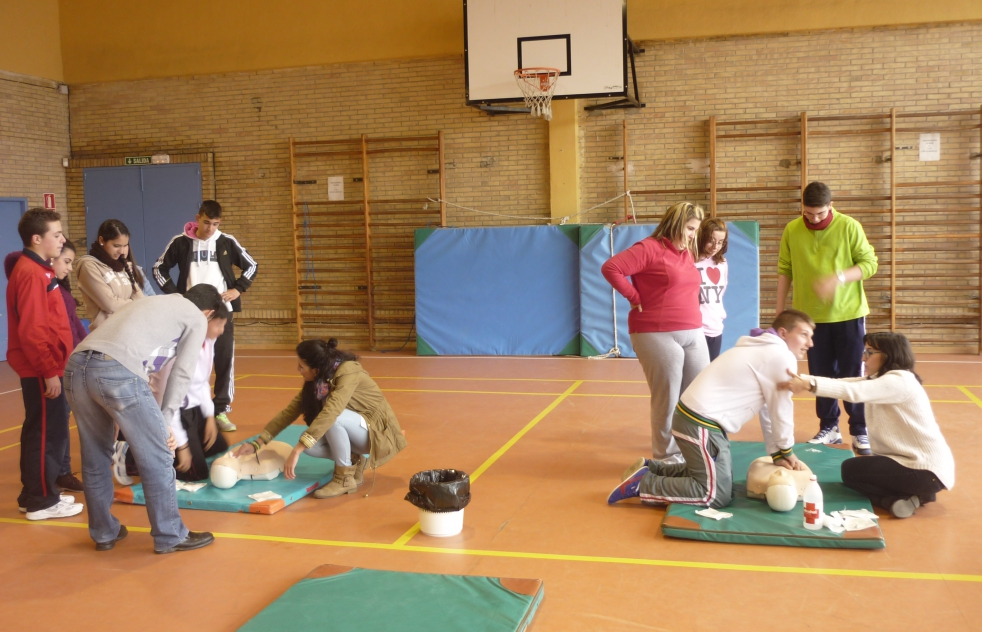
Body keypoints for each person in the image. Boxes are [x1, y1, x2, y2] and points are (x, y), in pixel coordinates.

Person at [65, 285, 224, 553]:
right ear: (208, 313)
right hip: (116, 370)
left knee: (95, 457)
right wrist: (165, 421)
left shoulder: (154, 302)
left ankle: (104, 533)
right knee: (159, 455)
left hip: (76, 366)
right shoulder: (196, 317)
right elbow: (182, 373)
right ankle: (170, 535)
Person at [608, 310, 814, 509]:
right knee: (714, 494)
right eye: (804, 334)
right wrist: (786, 449)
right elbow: (782, 408)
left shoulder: (765, 348)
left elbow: (770, 409)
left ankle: (652, 468)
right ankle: (642, 484)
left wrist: (777, 452)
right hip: (699, 423)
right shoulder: (780, 355)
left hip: (696, 420)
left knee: (717, 476)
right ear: (784, 333)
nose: (810, 343)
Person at [779, 332, 954, 519]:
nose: (864, 358)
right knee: (853, 470)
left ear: (888, 354)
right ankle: (918, 495)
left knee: (851, 471)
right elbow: (844, 383)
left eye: (869, 352)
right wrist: (803, 380)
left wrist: (808, 383)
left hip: (925, 470)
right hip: (916, 467)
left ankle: (894, 500)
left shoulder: (900, 381)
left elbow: (853, 391)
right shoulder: (881, 379)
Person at [601, 202, 710, 464]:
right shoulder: (649, 248)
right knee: (668, 398)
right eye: (691, 228)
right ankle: (667, 456)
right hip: (655, 331)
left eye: (696, 229)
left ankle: (694, 449)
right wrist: (633, 295)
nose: (694, 235)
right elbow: (611, 268)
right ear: (676, 224)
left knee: (699, 394)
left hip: (693, 330)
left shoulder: (686, 253)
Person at [232, 338, 407, 499]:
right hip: (358, 430)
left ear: (315, 368)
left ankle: (344, 479)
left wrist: (296, 450)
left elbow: (332, 411)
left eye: (301, 366)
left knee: (330, 420)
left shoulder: (348, 372)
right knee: (310, 447)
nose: (298, 370)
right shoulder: (318, 382)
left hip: (378, 434)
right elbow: (288, 413)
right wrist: (258, 443)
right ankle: (355, 460)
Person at [777, 181, 878, 455]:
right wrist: (779, 310)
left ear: (831, 206)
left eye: (820, 214)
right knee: (819, 375)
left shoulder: (849, 226)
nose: (814, 218)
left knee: (851, 375)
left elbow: (870, 264)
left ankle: (859, 430)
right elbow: (785, 269)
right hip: (811, 319)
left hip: (848, 314)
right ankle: (829, 427)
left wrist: (839, 277)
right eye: (808, 214)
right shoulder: (792, 229)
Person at [153, 200, 258, 433]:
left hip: (222, 313)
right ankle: (186, 409)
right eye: (207, 222)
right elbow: (159, 268)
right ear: (197, 218)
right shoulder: (180, 242)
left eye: (216, 223)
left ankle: (220, 411)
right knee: (186, 361)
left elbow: (251, 265)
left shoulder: (226, 241)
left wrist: (238, 288)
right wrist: (176, 296)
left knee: (224, 362)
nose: (211, 228)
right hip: (191, 315)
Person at [6, 209, 82, 520]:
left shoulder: (40, 271)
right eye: (56, 234)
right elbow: (33, 330)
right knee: (45, 433)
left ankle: (35, 494)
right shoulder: (32, 273)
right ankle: (40, 500)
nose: (62, 239)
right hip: (41, 368)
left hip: (49, 366)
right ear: (37, 239)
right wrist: (49, 370)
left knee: (44, 430)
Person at [113, 303, 230, 484]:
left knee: (218, 447)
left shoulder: (208, 342)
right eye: (218, 325)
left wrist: (208, 417)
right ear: (205, 320)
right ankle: (129, 455)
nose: (222, 331)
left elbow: (203, 382)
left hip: (192, 408)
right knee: (195, 473)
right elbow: (169, 403)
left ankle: (186, 443)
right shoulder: (178, 348)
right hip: (170, 411)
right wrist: (182, 446)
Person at [75, 219, 145, 331]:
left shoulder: (121, 265)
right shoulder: (89, 265)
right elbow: (110, 305)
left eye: (125, 245)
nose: (122, 251)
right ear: (102, 240)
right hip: (107, 334)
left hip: (129, 330)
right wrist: (135, 304)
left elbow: (141, 298)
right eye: (116, 245)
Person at [694, 217, 728, 361]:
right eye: (711, 241)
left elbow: (720, 293)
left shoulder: (722, 263)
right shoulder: (690, 261)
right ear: (702, 238)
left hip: (715, 328)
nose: (715, 246)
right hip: (695, 329)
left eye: (720, 242)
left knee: (708, 376)